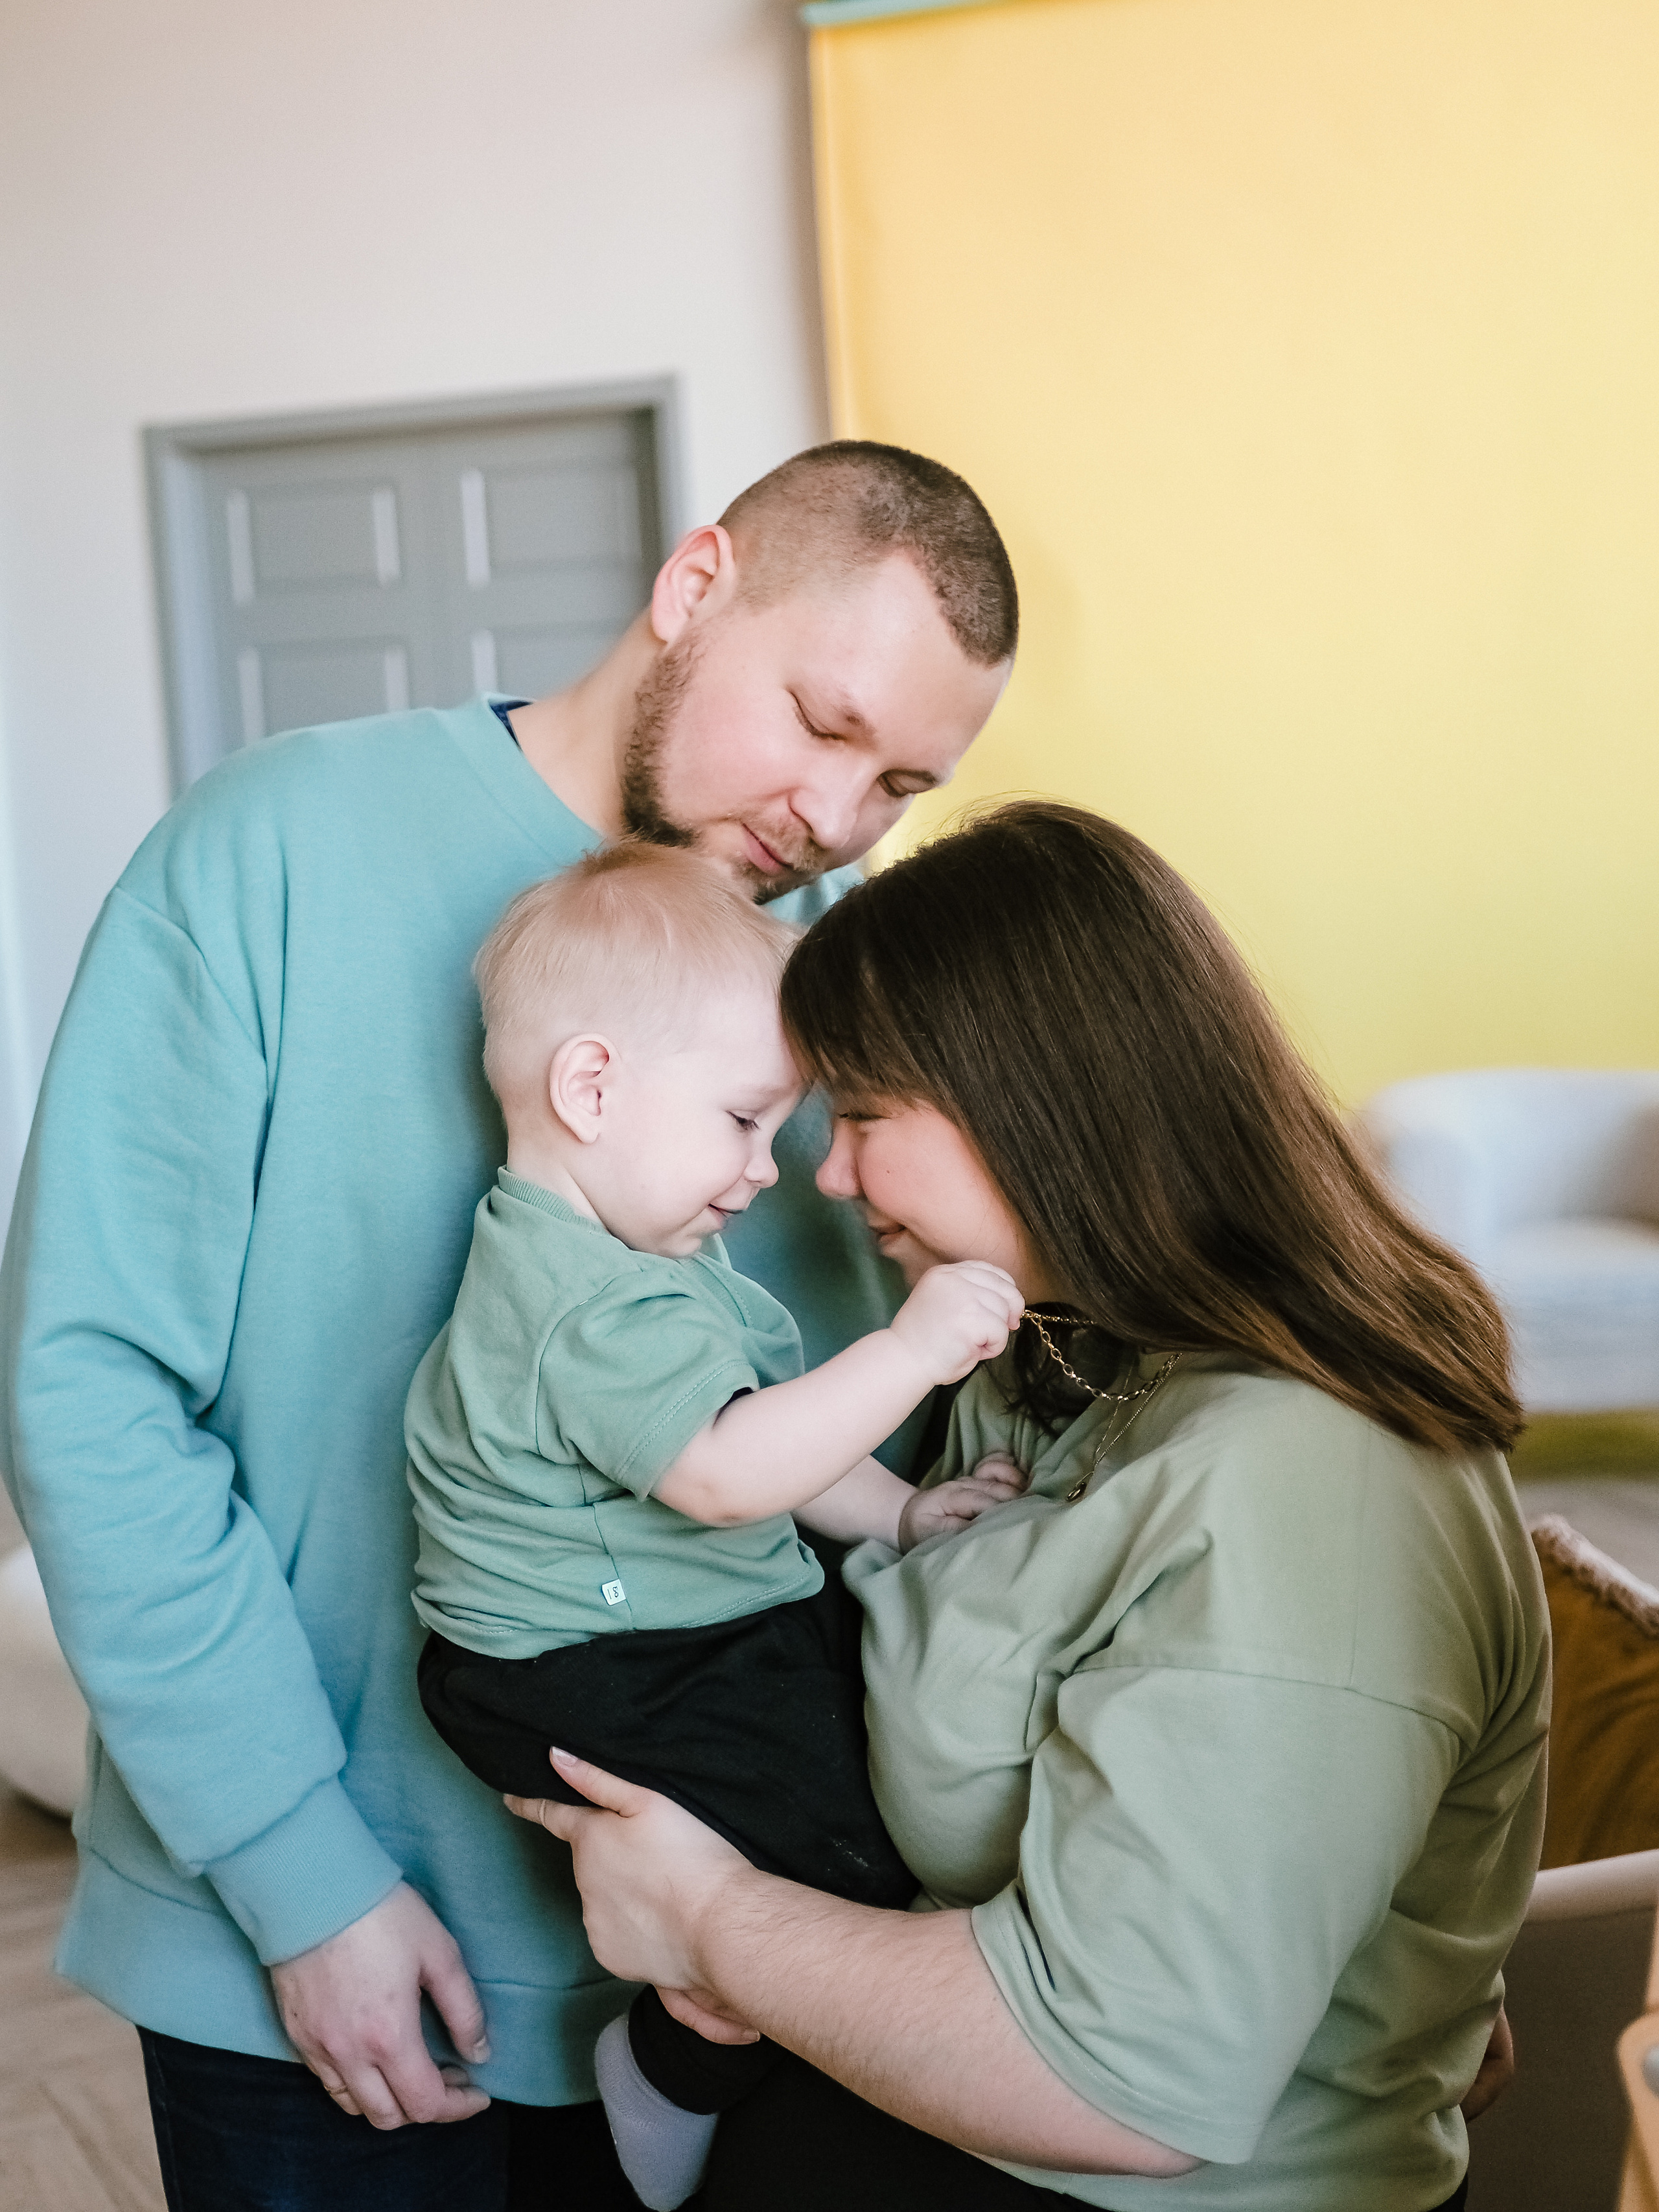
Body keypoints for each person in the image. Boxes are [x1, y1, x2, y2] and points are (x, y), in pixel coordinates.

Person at [0, 441, 1016, 2209]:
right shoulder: (276, 843)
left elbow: (889, 1408)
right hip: (325, 1956)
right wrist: (296, 1870)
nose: (836, 816)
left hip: (766, 1965)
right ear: (695, 586)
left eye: (901, 782)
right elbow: (90, 1391)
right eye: (820, 720)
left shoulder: (843, 965)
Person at [509, 800, 1549, 2212]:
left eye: (866, 1116)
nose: (823, 1173)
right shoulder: (1061, 1356)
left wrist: (705, 1918)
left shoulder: (1309, 1486)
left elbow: (1110, 2080)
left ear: (1046, 1105)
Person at [408, 841, 1027, 2209]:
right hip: (592, 1669)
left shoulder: (653, 1261)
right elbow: (727, 1473)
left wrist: (907, 1513)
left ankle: (730, 2035)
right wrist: (918, 1347)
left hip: (685, 1627)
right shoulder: (580, 1301)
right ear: (591, 1088)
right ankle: (679, 2058)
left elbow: (779, 1449)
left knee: (871, 1742)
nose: (766, 1171)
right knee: (841, 1846)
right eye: (744, 1121)